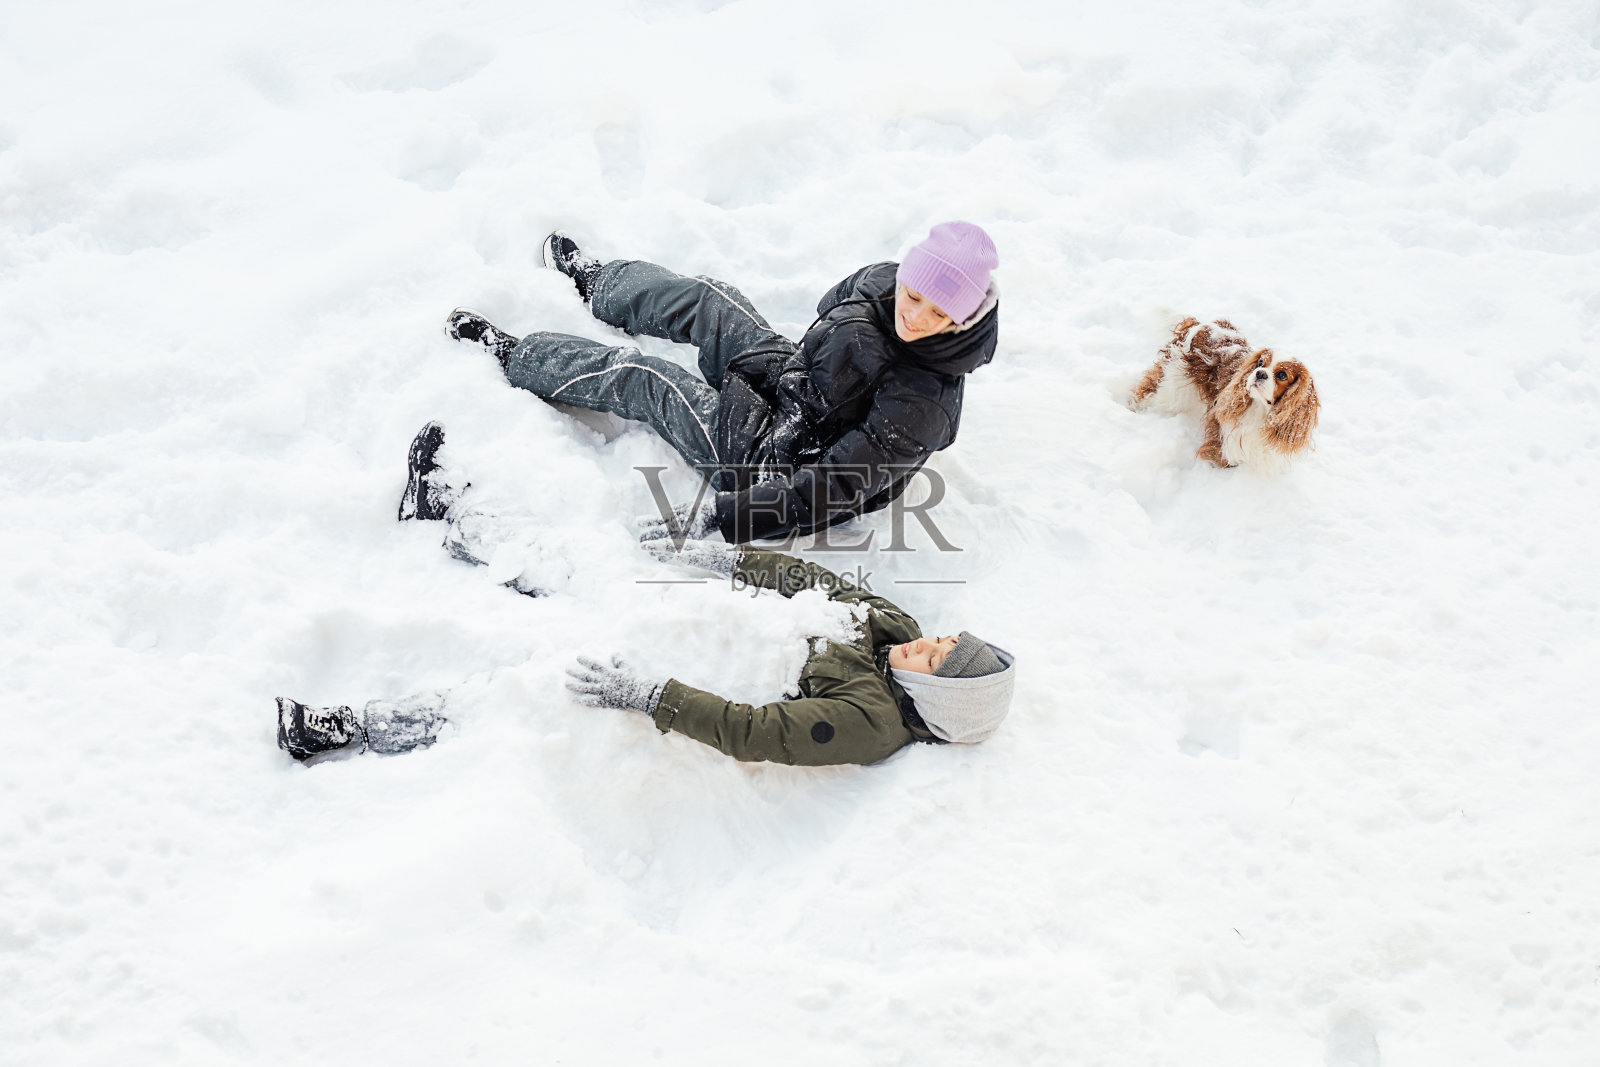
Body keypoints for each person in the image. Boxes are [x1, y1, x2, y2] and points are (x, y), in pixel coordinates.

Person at [275, 424, 1016, 767]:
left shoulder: (870, 720)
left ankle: (344, 729)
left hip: (684, 661)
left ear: (938, 700)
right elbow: (816, 582)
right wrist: (727, 562)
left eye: (937, 658)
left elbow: (756, 729)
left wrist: (650, 693)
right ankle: (446, 507)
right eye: (943, 639)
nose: (925, 642)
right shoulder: (896, 632)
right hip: (704, 612)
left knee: (520, 693)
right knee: (576, 569)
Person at [444, 222, 1000, 544]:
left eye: (939, 313)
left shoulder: (922, 402)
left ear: (965, 318)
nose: (917, 316)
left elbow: (831, 487)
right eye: (914, 295)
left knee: (649, 379)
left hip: (778, 463)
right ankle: (601, 285)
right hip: (793, 386)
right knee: (713, 300)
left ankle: (517, 355)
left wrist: (727, 515)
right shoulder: (883, 281)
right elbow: (830, 316)